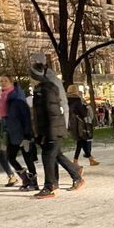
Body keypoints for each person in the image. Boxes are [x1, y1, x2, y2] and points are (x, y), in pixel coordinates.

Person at [30, 60, 84, 199]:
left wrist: (47, 132)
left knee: (48, 157)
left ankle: (50, 186)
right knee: (57, 155)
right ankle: (76, 175)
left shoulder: (45, 89)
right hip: (51, 129)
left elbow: (51, 112)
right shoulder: (42, 89)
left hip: (53, 130)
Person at [0, 74, 39, 191]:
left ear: (11, 82)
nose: (2, 83)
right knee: (10, 157)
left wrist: (27, 136)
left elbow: (26, 117)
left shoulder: (17, 97)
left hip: (22, 133)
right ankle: (25, 178)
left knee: (28, 158)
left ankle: (34, 183)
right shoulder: (2, 98)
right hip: (11, 133)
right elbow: (4, 119)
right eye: (1, 81)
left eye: (5, 81)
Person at [66, 84, 100, 170]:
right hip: (80, 123)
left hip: (72, 123)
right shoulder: (77, 100)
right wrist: (86, 108)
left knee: (81, 141)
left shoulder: (67, 101)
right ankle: (76, 161)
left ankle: (90, 159)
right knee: (81, 141)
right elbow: (83, 112)